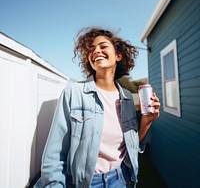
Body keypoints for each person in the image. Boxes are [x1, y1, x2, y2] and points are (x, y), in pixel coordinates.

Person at [34, 27, 160, 188]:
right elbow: (55, 154)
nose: (96, 51)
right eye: (91, 49)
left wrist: (147, 121)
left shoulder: (127, 97)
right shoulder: (73, 92)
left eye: (103, 46)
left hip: (122, 178)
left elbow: (132, 143)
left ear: (118, 56)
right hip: (86, 183)